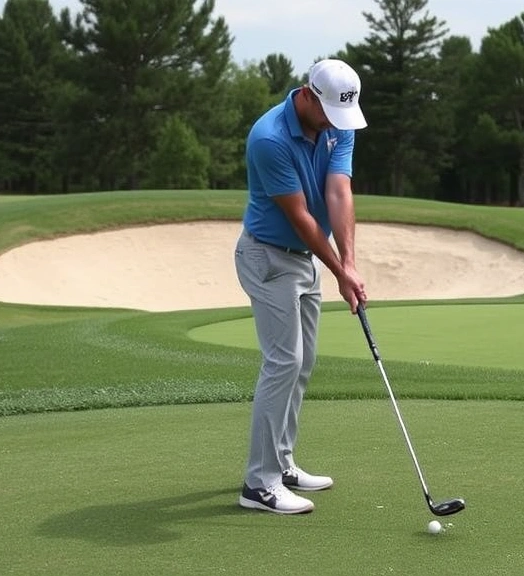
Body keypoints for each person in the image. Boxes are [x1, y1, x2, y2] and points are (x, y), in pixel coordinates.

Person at [233, 58, 369, 515]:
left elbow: (338, 193)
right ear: (307, 95)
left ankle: (283, 464)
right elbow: (302, 218)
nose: (337, 123)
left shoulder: (338, 119)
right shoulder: (269, 138)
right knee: (283, 361)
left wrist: (348, 263)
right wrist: (339, 271)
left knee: (303, 362)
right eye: (329, 112)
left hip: (306, 260)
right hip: (268, 257)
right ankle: (260, 484)